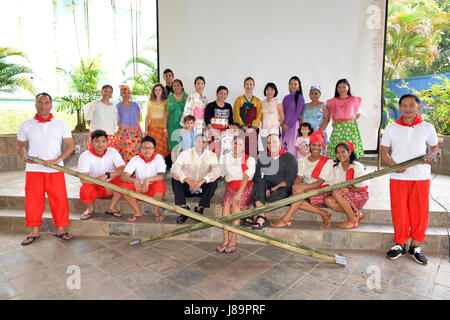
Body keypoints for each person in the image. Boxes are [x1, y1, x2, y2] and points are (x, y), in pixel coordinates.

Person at [381, 94, 438, 265]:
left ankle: (415, 245)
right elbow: (384, 152)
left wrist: (431, 156)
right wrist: (394, 165)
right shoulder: (392, 128)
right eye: (404, 105)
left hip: (421, 176)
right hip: (398, 176)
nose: (407, 108)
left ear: (418, 107)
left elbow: (434, 147)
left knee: (419, 211)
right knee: (399, 210)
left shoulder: (427, 127)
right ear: (400, 108)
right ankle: (400, 243)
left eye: (411, 105)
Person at [17, 92, 75, 245]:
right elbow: (21, 146)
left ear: (51, 105)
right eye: (40, 102)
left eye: (47, 102)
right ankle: (34, 230)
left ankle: (61, 229)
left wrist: (58, 159)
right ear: (36, 104)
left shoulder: (60, 124)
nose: (43, 105)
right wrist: (24, 155)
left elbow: (70, 145)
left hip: (55, 169)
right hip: (33, 169)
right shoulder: (26, 124)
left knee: (59, 200)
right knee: (33, 201)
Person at [271, 130, 333, 228]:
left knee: (295, 198)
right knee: (294, 196)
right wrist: (296, 186)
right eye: (313, 145)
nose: (316, 148)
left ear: (322, 147)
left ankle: (286, 219)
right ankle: (324, 213)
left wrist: (302, 187)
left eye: (319, 145)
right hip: (306, 189)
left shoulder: (328, 162)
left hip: (321, 189)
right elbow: (299, 178)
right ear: (309, 146)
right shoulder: (303, 160)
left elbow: (319, 182)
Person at [246, 133, 297, 230]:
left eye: (274, 142)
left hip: (282, 188)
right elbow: (256, 176)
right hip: (266, 186)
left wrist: (271, 190)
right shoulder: (263, 157)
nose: (271, 145)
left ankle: (256, 209)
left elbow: (289, 180)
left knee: (278, 193)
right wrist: (265, 189)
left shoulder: (290, 158)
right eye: (269, 143)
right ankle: (261, 217)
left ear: (280, 143)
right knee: (259, 182)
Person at [217, 135, 256, 253]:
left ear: (244, 147)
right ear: (231, 144)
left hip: (245, 187)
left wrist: (239, 193)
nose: (237, 146)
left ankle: (233, 238)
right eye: (235, 143)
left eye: (240, 144)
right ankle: (225, 239)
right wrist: (228, 189)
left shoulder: (249, 159)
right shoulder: (224, 158)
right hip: (231, 187)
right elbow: (224, 175)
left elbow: (246, 176)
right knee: (226, 206)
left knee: (235, 204)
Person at [170, 134, 221, 224]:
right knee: (175, 178)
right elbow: (174, 170)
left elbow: (217, 171)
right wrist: (188, 181)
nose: (201, 144)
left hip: (202, 188)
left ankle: (199, 209)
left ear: (207, 144)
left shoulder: (211, 155)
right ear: (194, 143)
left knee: (214, 181)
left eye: (204, 142)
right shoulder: (185, 154)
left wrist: (201, 182)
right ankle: (184, 210)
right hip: (187, 187)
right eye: (198, 142)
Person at [319, 142, 369, 229]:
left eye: (343, 152)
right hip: (344, 195)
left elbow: (361, 188)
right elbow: (333, 182)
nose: (340, 155)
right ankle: (356, 214)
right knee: (328, 200)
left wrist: (348, 189)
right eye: (338, 153)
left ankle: (353, 221)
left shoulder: (357, 166)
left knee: (336, 191)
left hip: (360, 195)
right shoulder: (337, 167)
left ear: (349, 153)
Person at [78, 130, 125, 220]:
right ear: (91, 142)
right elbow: (83, 179)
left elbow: (122, 169)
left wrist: (107, 176)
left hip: (111, 185)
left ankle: (111, 207)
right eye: (97, 141)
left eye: (103, 141)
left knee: (123, 179)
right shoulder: (85, 156)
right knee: (85, 188)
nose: (100, 144)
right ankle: (90, 209)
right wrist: (101, 182)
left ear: (107, 142)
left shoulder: (112, 151)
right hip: (95, 186)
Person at [120, 136, 167, 222]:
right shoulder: (136, 159)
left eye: (149, 148)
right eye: (144, 147)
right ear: (140, 149)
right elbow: (123, 177)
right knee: (123, 187)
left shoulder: (158, 158)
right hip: (139, 189)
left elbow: (162, 176)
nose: (147, 150)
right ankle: (138, 212)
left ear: (154, 149)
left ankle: (156, 212)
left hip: (153, 189)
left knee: (160, 185)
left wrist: (148, 180)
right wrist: (135, 181)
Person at [325, 79, 364, 159]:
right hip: (338, 128)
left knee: (350, 148)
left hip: (350, 128)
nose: (342, 89)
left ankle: (351, 166)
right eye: (339, 87)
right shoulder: (333, 101)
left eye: (344, 87)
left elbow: (358, 114)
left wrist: (349, 121)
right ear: (337, 89)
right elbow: (329, 115)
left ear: (348, 87)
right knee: (337, 146)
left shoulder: (354, 99)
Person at [232, 77, 262, 158]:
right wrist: (243, 126)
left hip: (253, 130)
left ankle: (252, 169)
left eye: (251, 84)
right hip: (241, 129)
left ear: (253, 86)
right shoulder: (239, 100)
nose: (249, 86)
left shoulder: (257, 101)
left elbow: (259, 116)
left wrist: (252, 128)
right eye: (247, 84)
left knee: (252, 151)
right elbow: (236, 114)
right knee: (241, 149)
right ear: (244, 86)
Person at [114, 85, 143, 163]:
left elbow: (138, 119)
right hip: (123, 134)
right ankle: (126, 172)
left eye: (128, 93)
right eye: (124, 93)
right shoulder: (117, 106)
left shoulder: (136, 105)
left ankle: (135, 172)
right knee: (124, 153)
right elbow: (116, 121)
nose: (126, 95)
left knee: (136, 153)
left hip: (135, 134)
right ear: (121, 94)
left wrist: (140, 133)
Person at [84, 84, 118, 150]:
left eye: (110, 92)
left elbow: (114, 122)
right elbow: (88, 118)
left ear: (112, 94)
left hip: (109, 135)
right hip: (96, 134)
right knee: (93, 156)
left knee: (108, 157)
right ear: (101, 92)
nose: (107, 93)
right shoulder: (94, 104)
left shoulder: (114, 108)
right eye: (105, 91)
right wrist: (95, 131)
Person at [205, 85, 234, 156]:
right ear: (217, 93)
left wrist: (231, 131)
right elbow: (207, 120)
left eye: (225, 94)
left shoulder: (228, 106)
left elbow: (231, 121)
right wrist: (213, 132)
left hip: (225, 134)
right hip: (213, 132)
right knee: (213, 152)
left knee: (225, 153)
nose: (222, 95)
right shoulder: (210, 105)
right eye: (221, 93)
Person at [300, 85, 330, 153]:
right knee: (307, 153)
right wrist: (301, 132)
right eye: (312, 93)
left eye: (316, 93)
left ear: (320, 94)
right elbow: (301, 120)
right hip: (306, 133)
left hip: (319, 133)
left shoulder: (323, 105)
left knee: (319, 153)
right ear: (309, 95)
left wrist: (319, 132)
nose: (314, 95)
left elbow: (327, 119)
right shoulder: (305, 106)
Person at [166, 79, 188, 166]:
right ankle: (174, 168)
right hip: (171, 126)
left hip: (183, 127)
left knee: (183, 146)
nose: (176, 87)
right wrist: (165, 128)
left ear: (182, 87)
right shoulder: (169, 98)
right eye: (174, 85)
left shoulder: (187, 98)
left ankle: (183, 168)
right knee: (174, 148)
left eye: (178, 85)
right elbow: (166, 114)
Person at [282, 76, 305, 158]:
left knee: (292, 147)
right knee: (284, 147)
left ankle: (293, 168)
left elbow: (297, 114)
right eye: (291, 84)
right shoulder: (285, 98)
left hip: (294, 126)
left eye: (295, 84)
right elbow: (283, 113)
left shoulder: (300, 98)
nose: (293, 86)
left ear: (299, 86)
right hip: (284, 126)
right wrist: (283, 124)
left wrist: (289, 125)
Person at [145, 83, 168, 158]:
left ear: (162, 91)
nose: (158, 92)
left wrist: (166, 129)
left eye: (159, 90)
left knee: (162, 150)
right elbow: (147, 117)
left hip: (162, 130)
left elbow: (167, 116)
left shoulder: (166, 102)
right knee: (152, 149)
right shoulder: (150, 102)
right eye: (156, 90)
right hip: (152, 129)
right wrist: (146, 130)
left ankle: (161, 168)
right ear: (153, 91)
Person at [259, 82, 284, 152]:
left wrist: (276, 126)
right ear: (265, 91)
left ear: (275, 91)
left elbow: (282, 117)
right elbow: (261, 117)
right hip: (264, 130)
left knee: (274, 150)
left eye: (272, 90)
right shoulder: (262, 103)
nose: (270, 92)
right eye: (268, 90)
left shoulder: (278, 102)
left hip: (274, 130)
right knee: (264, 150)